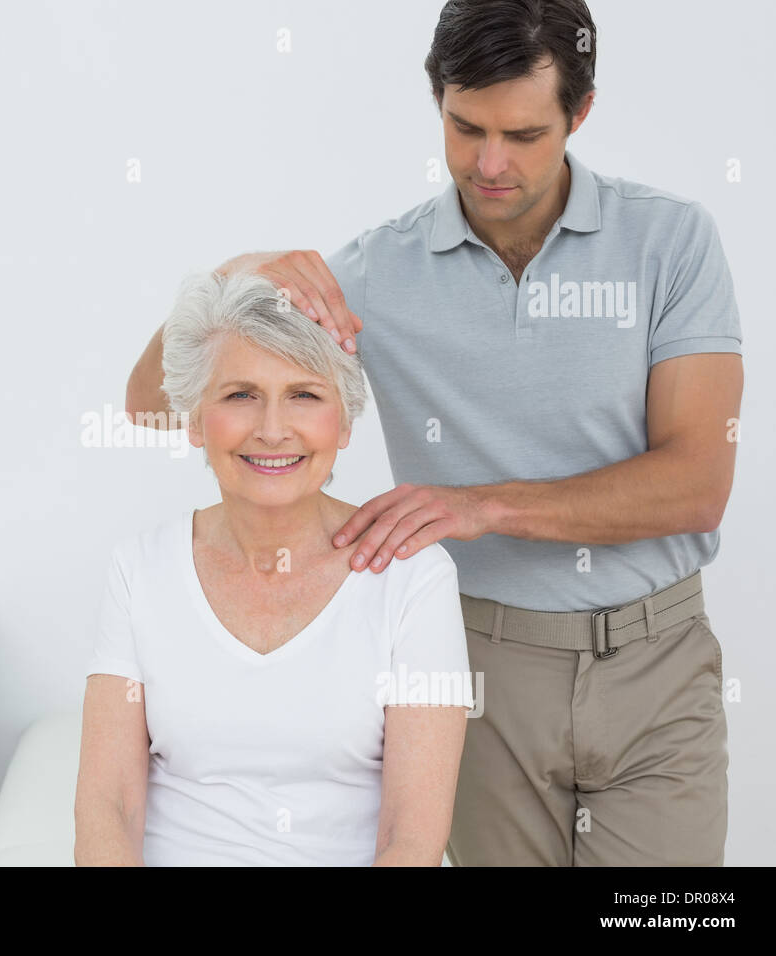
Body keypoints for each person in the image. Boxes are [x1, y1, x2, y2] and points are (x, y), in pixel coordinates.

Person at [125, 0, 741, 866]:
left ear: (581, 112)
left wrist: (478, 505)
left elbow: (697, 482)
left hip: (658, 667)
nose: (489, 164)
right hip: (481, 671)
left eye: (523, 134)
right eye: (464, 127)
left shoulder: (672, 243)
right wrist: (231, 274)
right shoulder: (377, 273)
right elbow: (154, 407)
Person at [75, 271, 472, 866]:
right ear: (192, 421)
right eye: (240, 395)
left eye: (304, 395)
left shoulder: (414, 576)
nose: (271, 428)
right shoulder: (140, 568)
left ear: (344, 424)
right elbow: (109, 807)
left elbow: (411, 838)